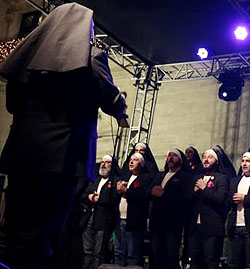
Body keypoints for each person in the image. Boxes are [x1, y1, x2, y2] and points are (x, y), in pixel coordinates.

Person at [0, 3, 127, 268]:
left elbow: (12, 105)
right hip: (61, 162)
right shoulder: (90, 58)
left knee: (12, 230)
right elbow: (112, 100)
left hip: (21, 157)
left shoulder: (29, 56)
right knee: (44, 234)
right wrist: (120, 103)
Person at [187, 147, 231, 269]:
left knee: (211, 261)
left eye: (210, 157)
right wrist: (194, 191)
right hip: (194, 227)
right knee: (195, 261)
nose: (206, 160)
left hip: (212, 227)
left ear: (216, 161)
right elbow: (186, 199)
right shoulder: (195, 178)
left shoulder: (221, 178)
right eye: (204, 157)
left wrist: (204, 189)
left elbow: (221, 199)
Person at [149, 149, 190, 269]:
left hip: (172, 222)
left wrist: (164, 194)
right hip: (157, 221)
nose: (171, 158)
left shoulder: (184, 177)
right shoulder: (160, 175)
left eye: (175, 156)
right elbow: (149, 190)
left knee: (170, 254)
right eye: (169, 155)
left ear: (181, 160)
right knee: (155, 253)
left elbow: (185, 196)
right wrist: (152, 191)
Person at [226, 152, 250, 269]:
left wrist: (245, 198)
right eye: (243, 161)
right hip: (235, 225)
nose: (244, 164)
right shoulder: (235, 180)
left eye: (248, 161)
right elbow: (227, 200)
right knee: (233, 263)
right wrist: (232, 200)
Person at [82, 155, 121, 268]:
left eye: (107, 162)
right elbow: (84, 193)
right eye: (102, 162)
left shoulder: (115, 181)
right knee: (87, 250)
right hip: (90, 217)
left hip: (103, 219)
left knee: (99, 252)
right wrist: (89, 197)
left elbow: (113, 198)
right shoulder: (96, 179)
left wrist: (99, 199)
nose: (103, 164)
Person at [113, 153, 151, 267]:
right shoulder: (126, 178)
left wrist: (125, 190)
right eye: (130, 160)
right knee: (119, 252)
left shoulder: (145, 178)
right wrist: (118, 190)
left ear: (142, 164)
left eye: (135, 160)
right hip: (120, 220)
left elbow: (140, 195)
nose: (131, 162)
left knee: (132, 254)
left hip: (134, 222)